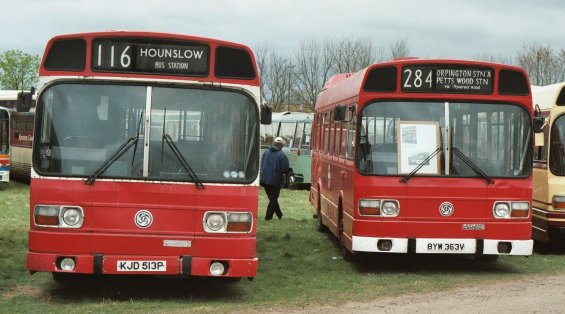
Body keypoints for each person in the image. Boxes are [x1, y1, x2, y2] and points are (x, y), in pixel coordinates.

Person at [260, 136, 289, 220]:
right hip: (275, 181)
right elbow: (285, 169)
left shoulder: (265, 153)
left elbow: (262, 165)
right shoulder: (282, 155)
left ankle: (280, 215)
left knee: (272, 199)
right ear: (281, 145)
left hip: (264, 180)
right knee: (273, 199)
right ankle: (268, 217)